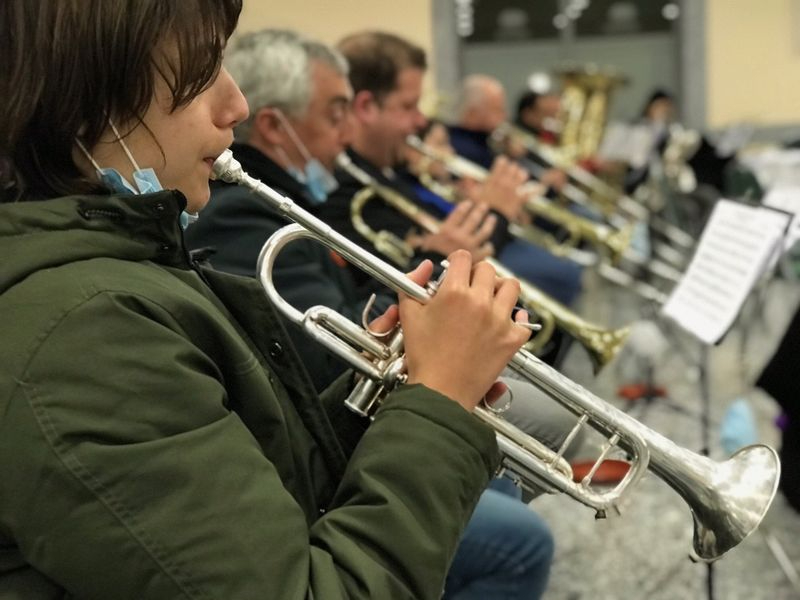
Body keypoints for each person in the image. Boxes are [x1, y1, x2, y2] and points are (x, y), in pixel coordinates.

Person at [0, 2, 535, 598]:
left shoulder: (121, 270)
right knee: (520, 543)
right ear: (91, 98)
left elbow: (262, 485)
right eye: (202, 73)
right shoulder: (85, 333)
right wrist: (439, 401)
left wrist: (385, 393)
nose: (237, 106)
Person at [185, 29, 572, 600]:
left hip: (332, 431)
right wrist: (433, 323)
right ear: (275, 126)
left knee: (504, 453)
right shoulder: (244, 211)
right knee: (519, 520)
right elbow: (318, 348)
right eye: (336, 112)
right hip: (300, 466)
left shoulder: (299, 195)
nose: (349, 131)